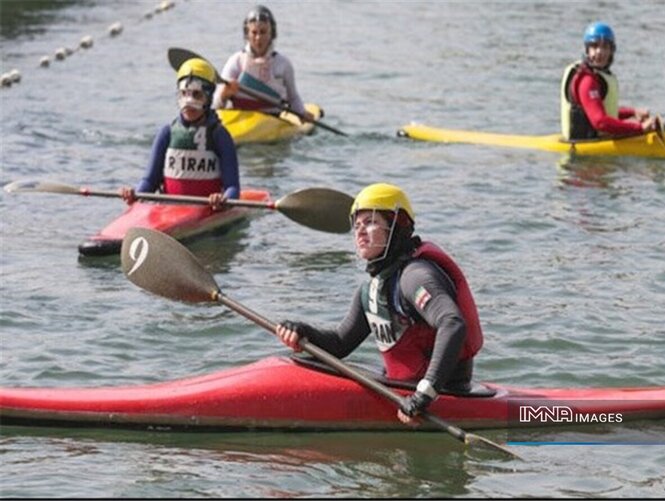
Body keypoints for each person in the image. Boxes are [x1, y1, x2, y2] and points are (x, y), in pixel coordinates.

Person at [275, 183, 484, 425]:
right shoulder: (372, 289)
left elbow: (452, 323)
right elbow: (341, 343)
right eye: (357, 224)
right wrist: (302, 332)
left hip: (443, 395)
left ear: (398, 226)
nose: (360, 232)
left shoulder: (415, 276)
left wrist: (425, 394)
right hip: (404, 390)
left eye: (371, 222)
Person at [121, 58, 240, 210]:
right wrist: (135, 194)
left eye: (197, 95)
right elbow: (150, 182)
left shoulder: (220, 135)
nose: (188, 102)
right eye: (184, 94)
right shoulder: (167, 133)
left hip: (206, 212)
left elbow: (233, 188)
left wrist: (222, 199)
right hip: (168, 211)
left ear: (208, 98)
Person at [212, 5, 314, 122]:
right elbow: (216, 105)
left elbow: (293, 97)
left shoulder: (283, 64)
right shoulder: (236, 61)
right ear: (247, 34)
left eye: (263, 32)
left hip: (272, 118)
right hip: (239, 118)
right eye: (254, 32)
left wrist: (301, 113)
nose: (258, 38)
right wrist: (224, 95)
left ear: (272, 34)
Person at [560, 22, 660, 140]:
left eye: (605, 47)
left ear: (612, 51)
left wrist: (632, 113)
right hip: (586, 152)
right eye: (594, 46)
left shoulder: (598, 77)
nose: (599, 52)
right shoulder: (587, 81)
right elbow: (600, 122)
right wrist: (640, 128)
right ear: (587, 50)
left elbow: (603, 110)